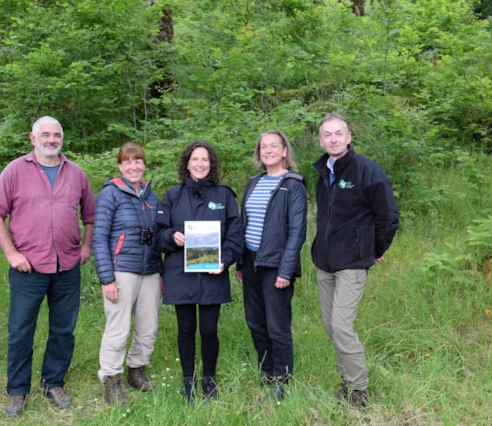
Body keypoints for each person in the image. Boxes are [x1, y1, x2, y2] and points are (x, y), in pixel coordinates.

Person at [0, 116, 95, 417]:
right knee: (20, 331)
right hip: (28, 268)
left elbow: (91, 216)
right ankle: (17, 391)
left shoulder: (76, 173)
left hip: (67, 266)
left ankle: (53, 383)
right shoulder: (16, 171)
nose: (51, 139)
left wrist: (86, 246)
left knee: (63, 329)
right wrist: (11, 254)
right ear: (32, 139)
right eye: (45, 134)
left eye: (56, 135)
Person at [312, 112, 399, 408]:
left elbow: (388, 216)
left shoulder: (367, 170)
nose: (333, 139)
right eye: (327, 134)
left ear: (349, 138)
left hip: (352, 261)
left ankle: (358, 390)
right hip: (325, 262)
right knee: (330, 325)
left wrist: (375, 250)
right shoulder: (323, 171)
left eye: (339, 133)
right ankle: (346, 381)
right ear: (321, 140)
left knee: (341, 325)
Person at [156, 141, 243, 404]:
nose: (200, 164)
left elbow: (235, 234)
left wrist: (225, 259)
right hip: (180, 273)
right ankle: (187, 380)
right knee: (185, 329)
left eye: (205, 159)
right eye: (195, 159)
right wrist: (172, 237)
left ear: (211, 164)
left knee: (208, 330)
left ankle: (209, 380)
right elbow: (158, 236)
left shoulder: (224, 196)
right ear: (187, 163)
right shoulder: (172, 195)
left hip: (212, 273)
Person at [235, 130, 308, 402]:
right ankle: (266, 373)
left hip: (276, 266)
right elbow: (245, 225)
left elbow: (297, 232)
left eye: (273, 146)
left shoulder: (293, 185)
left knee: (277, 325)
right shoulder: (254, 183)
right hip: (251, 263)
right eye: (263, 147)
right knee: (255, 322)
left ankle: (282, 381)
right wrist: (240, 264)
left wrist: (285, 270)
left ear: (285, 151)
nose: (268, 150)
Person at [92, 142, 162, 406]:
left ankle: (137, 369)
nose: (134, 166)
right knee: (118, 328)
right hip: (121, 270)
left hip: (150, 270)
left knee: (148, 327)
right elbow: (99, 238)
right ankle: (111, 380)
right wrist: (107, 278)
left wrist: (161, 271)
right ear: (120, 166)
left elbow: (158, 236)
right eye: (128, 162)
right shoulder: (110, 194)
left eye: (138, 161)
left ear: (144, 164)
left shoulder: (151, 196)